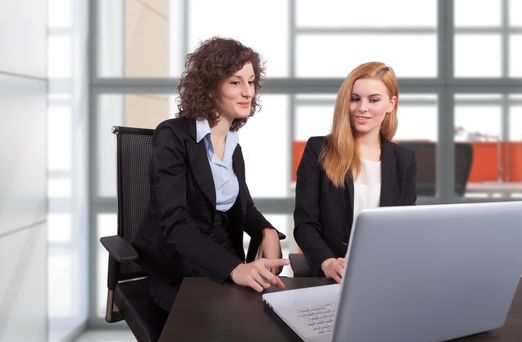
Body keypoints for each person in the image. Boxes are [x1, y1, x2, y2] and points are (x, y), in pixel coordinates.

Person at [133, 37, 289, 312]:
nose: (247, 92)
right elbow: (176, 223)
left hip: (222, 256)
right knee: (224, 326)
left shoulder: (232, 145)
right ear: (209, 86)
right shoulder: (173, 135)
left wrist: (268, 231)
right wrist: (233, 268)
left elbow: (245, 207)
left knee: (263, 315)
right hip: (177, 265)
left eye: (251, 82)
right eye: (235, 82)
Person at [293, 62, 417, 283]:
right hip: (331, 276)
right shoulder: (318, 149)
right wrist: (327, 262)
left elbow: (405, 229)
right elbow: (305, 224)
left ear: (391, 104)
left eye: (374, 99)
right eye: (355, 98)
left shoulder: (404, 160)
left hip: (384, 275)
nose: (362, 108)